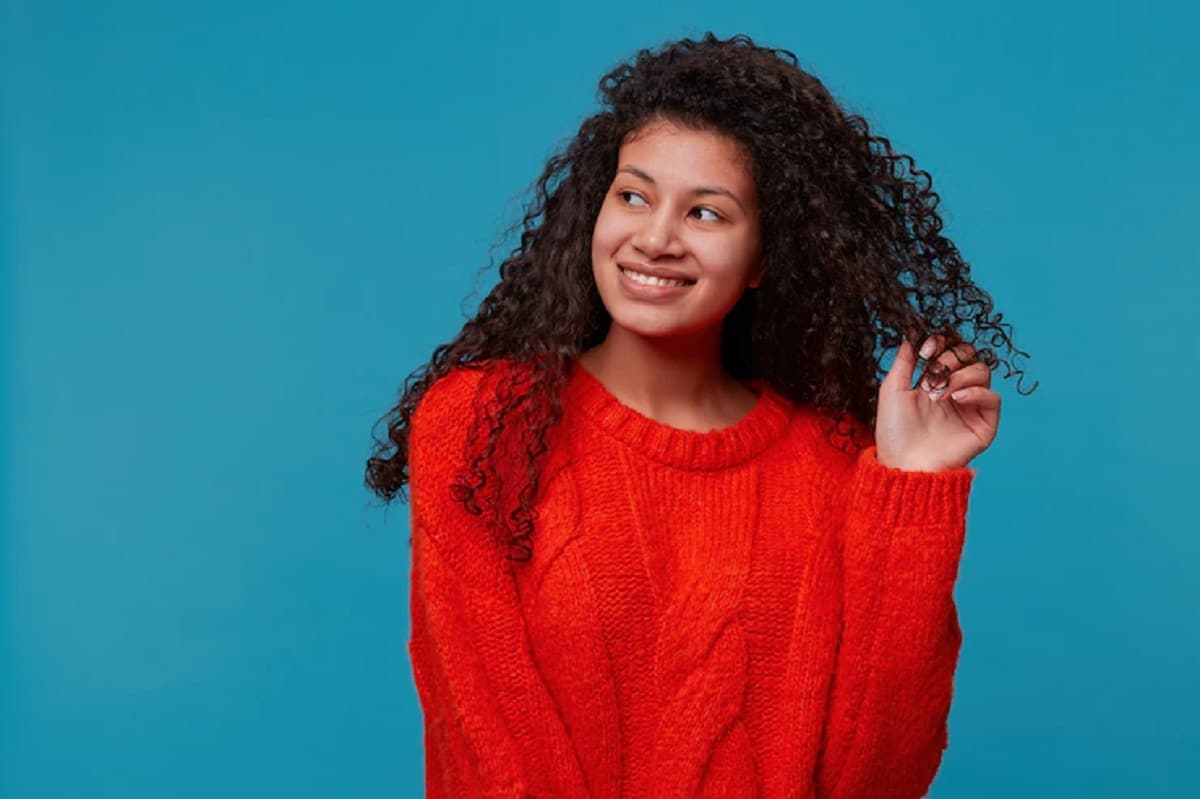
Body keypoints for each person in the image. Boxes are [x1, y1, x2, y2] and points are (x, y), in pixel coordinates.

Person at [365, 32, 1034, 799]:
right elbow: (489, 741)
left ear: (764, 261)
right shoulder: (485, 422)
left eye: (706, 213)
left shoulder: (835, 462)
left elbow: (877, 778)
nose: (654, 238)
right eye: (634, 195)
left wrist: (913, 486)